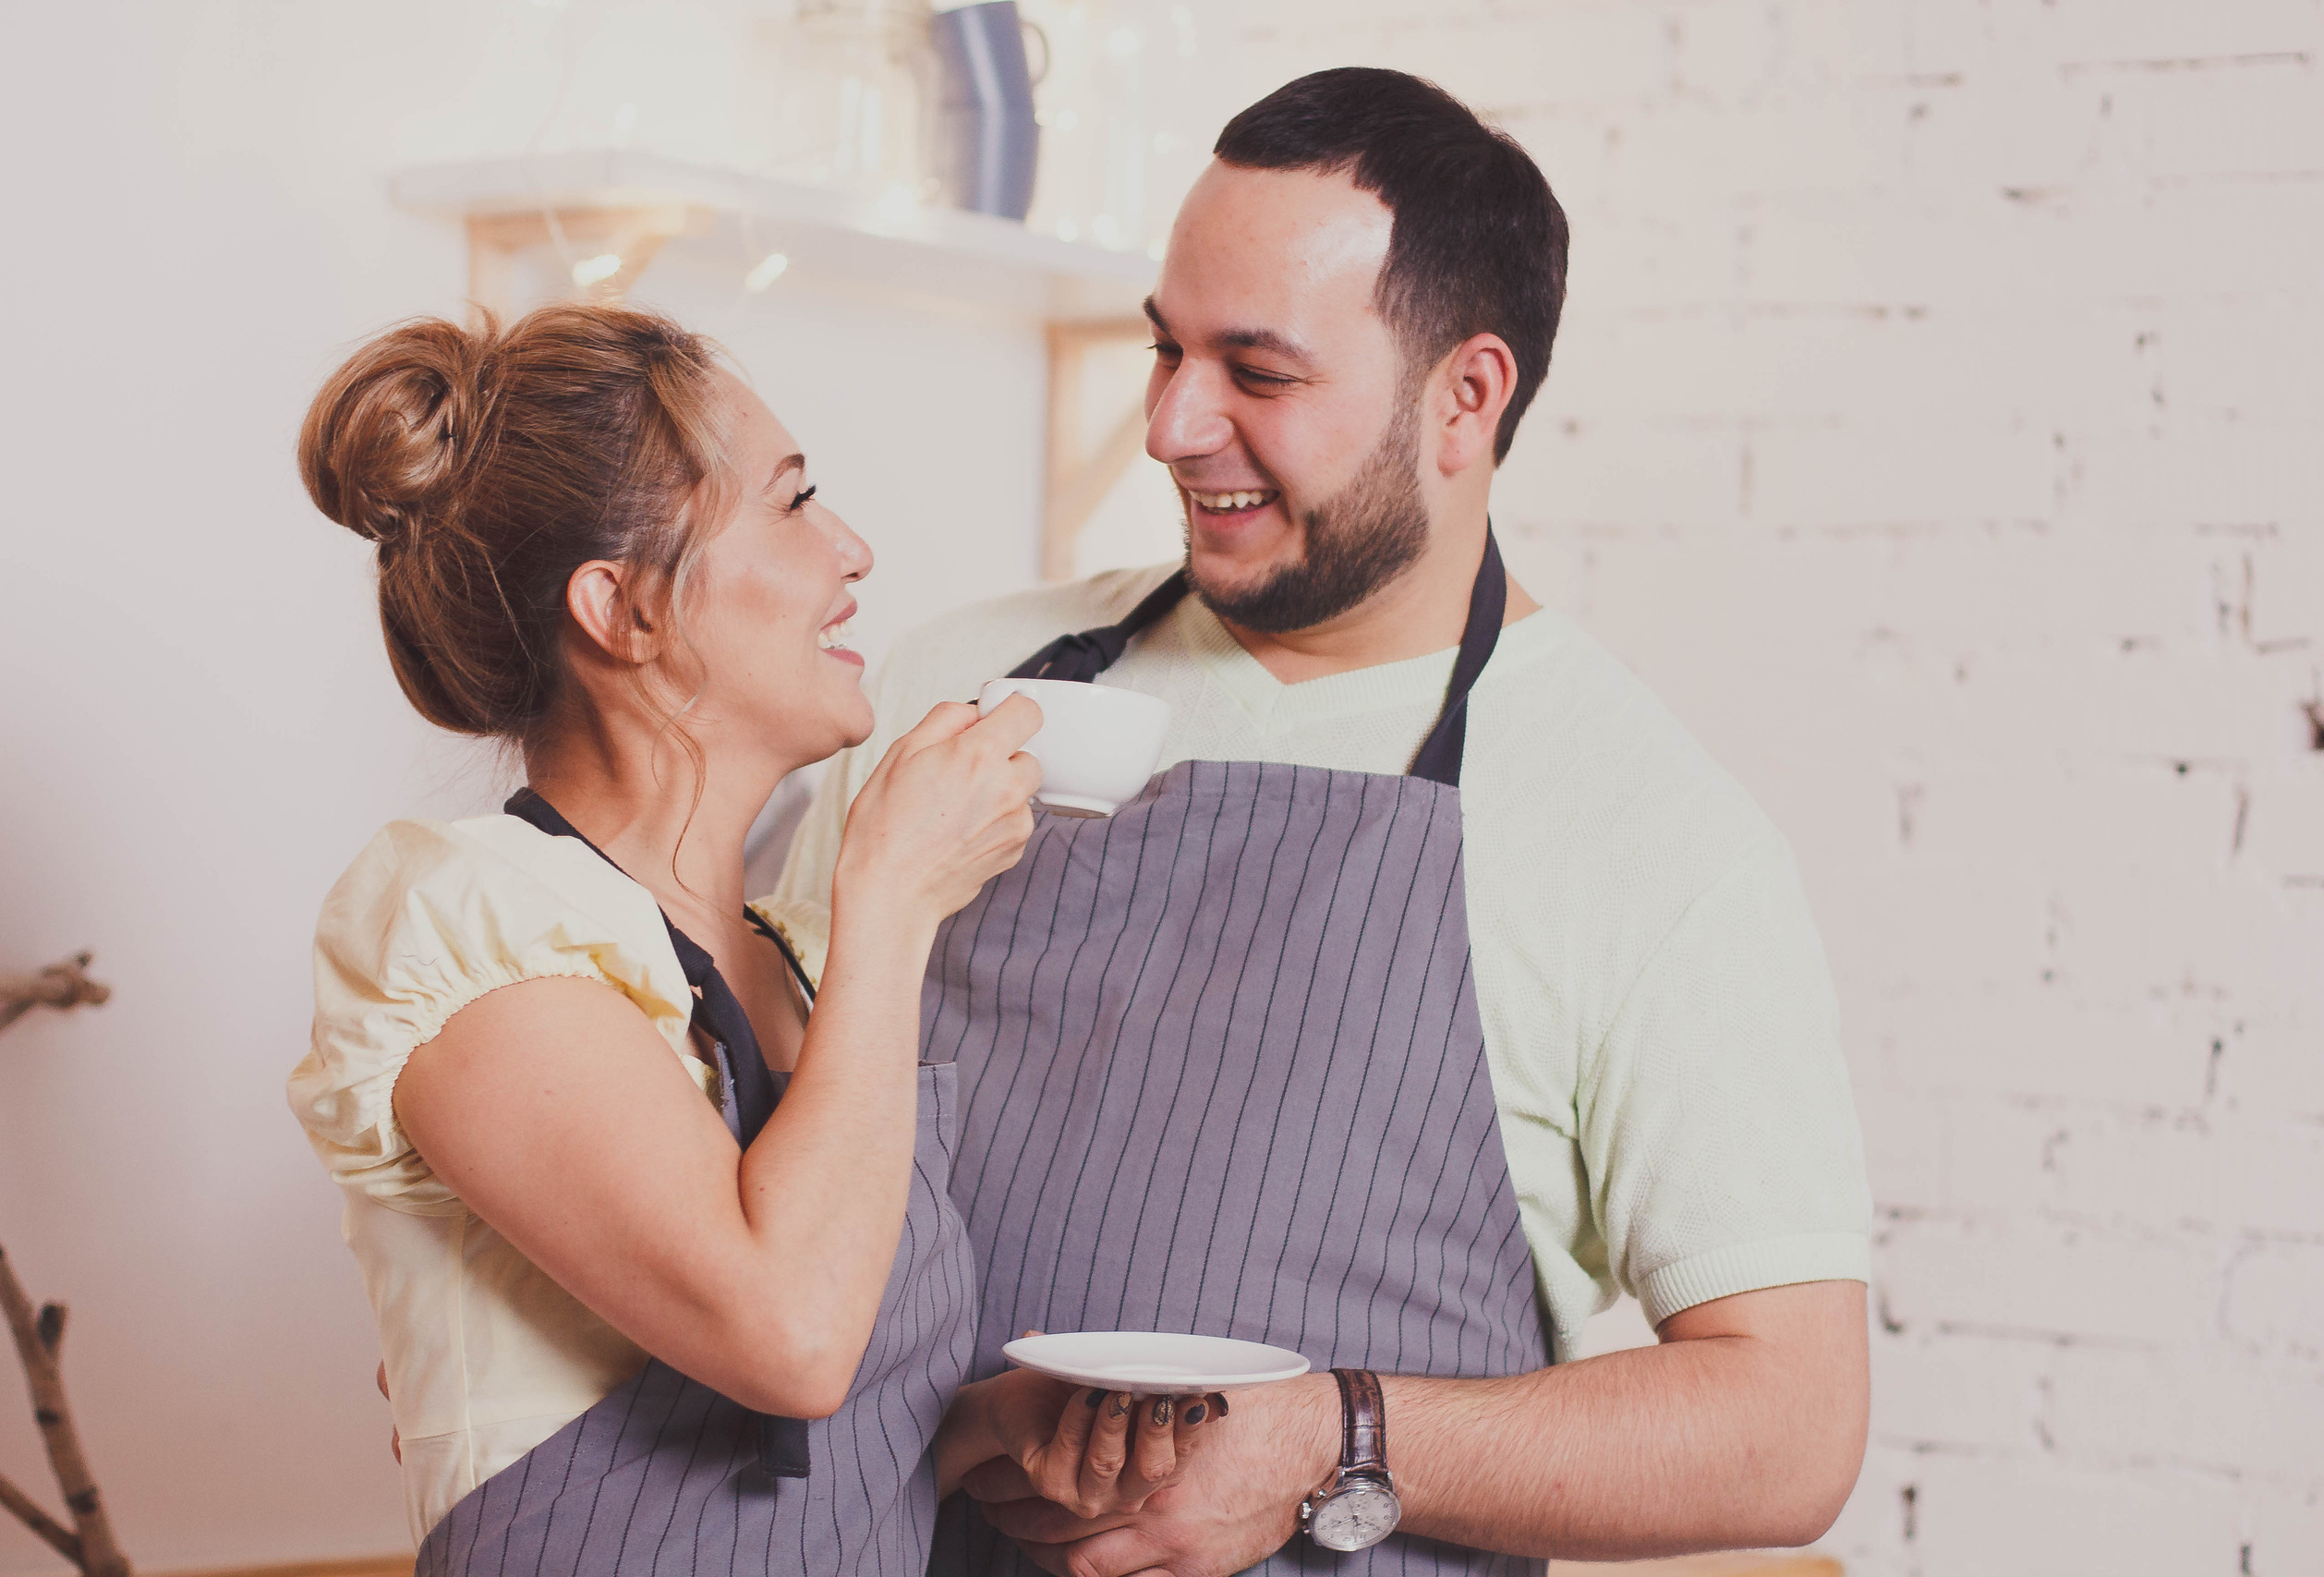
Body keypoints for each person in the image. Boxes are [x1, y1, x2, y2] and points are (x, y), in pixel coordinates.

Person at [772, 68, 1874, 1575]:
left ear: (1464, 399)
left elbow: (1787, 1424)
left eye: (1258, 373)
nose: (1170, 423)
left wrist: (1333, 1441)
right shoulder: (949, 682)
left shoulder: (1650, 836)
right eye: (1165, 347)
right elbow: (740, 1131)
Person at [286, 302, 1212, 1574]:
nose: (854, 550)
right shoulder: (468, 924)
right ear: (623, 609)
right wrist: (894, 892)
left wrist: (984, 1428)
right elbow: (786, 1335)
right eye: (792, 502)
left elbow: (807, 1420)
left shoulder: (793, 958)